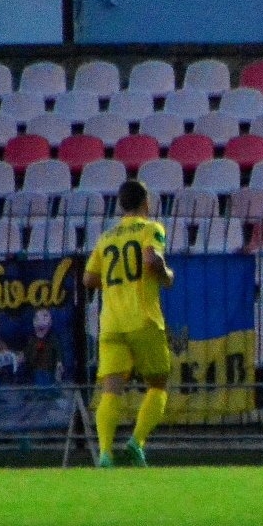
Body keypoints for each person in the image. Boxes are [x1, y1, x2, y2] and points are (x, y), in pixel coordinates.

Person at [82, 179, 176, 467]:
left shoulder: (107, 237)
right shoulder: (151, 228)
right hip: (143, 319)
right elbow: (151, 260)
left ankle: (105, 454)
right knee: (158, 384)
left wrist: (116, 285)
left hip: (111, 323)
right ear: (146, 202)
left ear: (121, 205)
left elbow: (88, 278)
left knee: (110, 389)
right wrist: (167, 276)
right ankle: (136, 442)